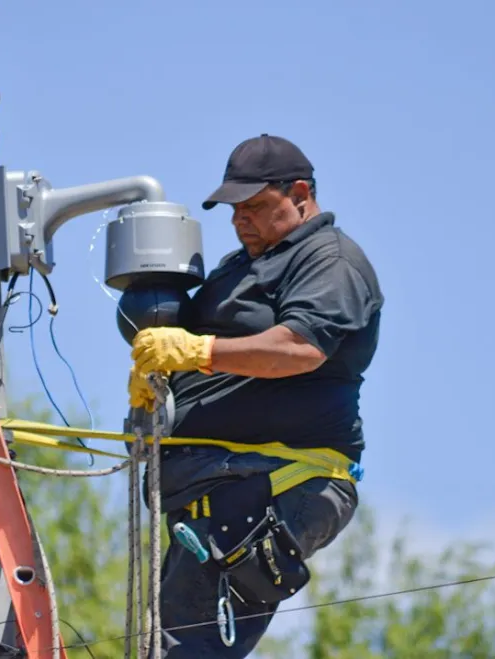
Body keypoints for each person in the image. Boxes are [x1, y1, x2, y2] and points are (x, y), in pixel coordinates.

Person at [127, 134, 384, 658]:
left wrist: (195, 352)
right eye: (234, 210)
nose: (241, 221)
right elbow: (187, 337)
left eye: (256, 207)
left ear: (301, 194)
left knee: (188, 651)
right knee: (167, 643)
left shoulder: (328, 259)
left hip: (279, 480)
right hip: (213, 486)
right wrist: (155, 372)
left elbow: (299, 348)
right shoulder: (237, 267)